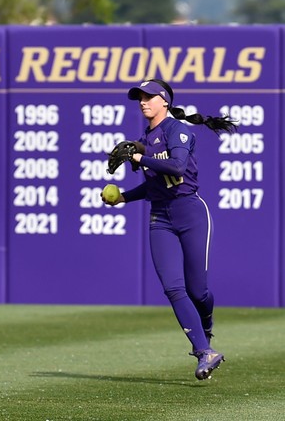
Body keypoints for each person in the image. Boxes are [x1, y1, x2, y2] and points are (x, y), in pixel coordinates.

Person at [101, 79, 237, 380]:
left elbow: (176, 167)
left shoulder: (178, 130)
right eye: (140, 97)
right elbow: (153, 184)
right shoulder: (146, 138)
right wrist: (124, 196)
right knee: (173, 288)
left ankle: (207, 324)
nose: (143, 101)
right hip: (160, 218)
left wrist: (139, 157)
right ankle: (205, 352)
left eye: (149, 96)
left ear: (164, 100)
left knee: (198, 291)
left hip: (190, 212)